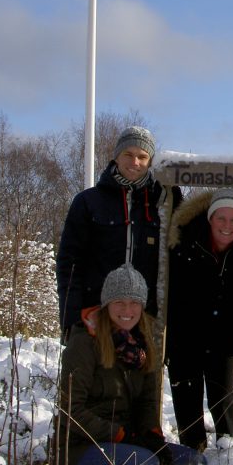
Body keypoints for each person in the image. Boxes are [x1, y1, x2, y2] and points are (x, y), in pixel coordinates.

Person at [54, 264, 203, 465]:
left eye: (134, 303)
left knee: (195, 461)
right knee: (145, 463)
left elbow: (147, 401)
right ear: (107, 304)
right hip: (80, 448)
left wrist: (151, 435)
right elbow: (70, 410)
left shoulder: (143, 344)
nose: (127, 310)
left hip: (128, 441)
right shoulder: (84, 343)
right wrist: (121, 435)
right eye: (119, 302)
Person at [166, 187, 233, 451]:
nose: (227, 226)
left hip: (225, 333)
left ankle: (230, 451)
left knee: (222, 394)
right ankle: (191, 451)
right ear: (209, 218)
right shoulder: (186, 240)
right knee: (186, 392)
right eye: (221, 218)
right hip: (185, 330)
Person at [56, 126, 167, 335]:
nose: (135, 162)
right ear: (117, 156)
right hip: (95, 315)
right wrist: (70, 319)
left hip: (144, 318)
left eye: (142, 157)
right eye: (128, 154)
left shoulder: (160, 203)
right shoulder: (88, 202)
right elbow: (69, 264)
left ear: (150, 161)